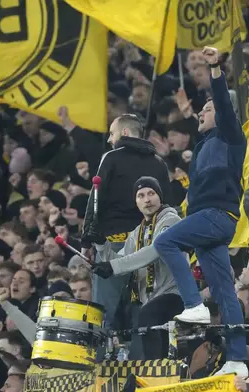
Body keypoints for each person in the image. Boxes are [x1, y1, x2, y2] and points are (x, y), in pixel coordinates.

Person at [153, 46, 248, 377]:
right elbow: (199, 121)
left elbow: (222, 105)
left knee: (164, 242)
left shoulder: (232, 137)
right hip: (211, 220)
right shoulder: (204, 146)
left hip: (216, 216)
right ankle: (237, 360)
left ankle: (193, 305)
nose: (204, 112)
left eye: (208, 110)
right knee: (225, 293)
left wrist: (214, 69)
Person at [81, 112, 172, 328]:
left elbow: (96, 199)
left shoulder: (111, 157)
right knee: (142, 312)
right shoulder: (159, 164)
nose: (110, 140)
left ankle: (98, 360)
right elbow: (168, 205)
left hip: (115, 244)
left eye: (112, 134)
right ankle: (142, 360)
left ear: (124, 132)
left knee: (102, 313)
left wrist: (86, 241)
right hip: (148, 249)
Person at [94, 176, 183, 359]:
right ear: (136, 202)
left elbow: (155, 250)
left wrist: (113, 266)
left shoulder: (171, 220)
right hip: (149, 302)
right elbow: (122, 261)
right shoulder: (137, 232)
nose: (147, 199)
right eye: (140, 196)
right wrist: (101, 244)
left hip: (174, 296)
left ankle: (156, 372)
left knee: (147, 318)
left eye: (151, 193)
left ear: (160, 197)